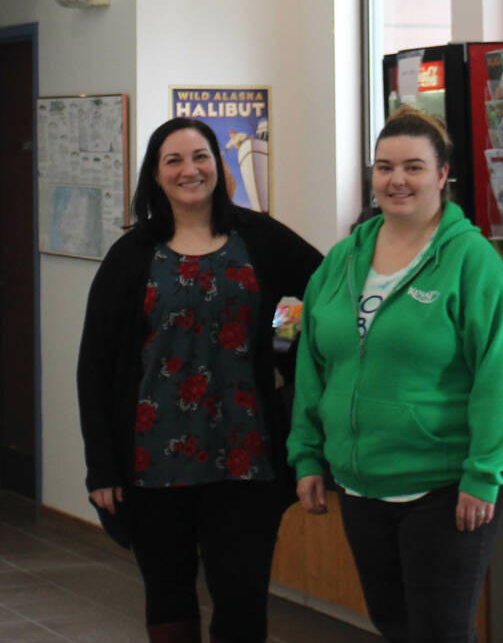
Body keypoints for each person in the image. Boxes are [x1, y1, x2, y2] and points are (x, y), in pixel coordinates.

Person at [288, 109, 503, 643]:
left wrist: (484, 472)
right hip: (361, 484)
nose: (396, 180)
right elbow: (314, 363)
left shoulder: (472, 262)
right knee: (393, 625)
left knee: (439, 633)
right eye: (384, 167)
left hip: (443, 488)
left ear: (443, 175)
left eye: (414, 167)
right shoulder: (344, 259)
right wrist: (307, 453)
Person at [76, 117, 323, 643]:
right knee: (167, 596)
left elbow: (314, 291)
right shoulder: (131, 255)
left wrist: (282, 344)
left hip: (246, 455)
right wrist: (101, 467)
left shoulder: (260, 236)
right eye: (174, 160)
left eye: (201, 157)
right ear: (156, 175)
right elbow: (95, 366)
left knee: (242, 596)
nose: (190, 170)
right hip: (151, 459)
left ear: (218, 164)